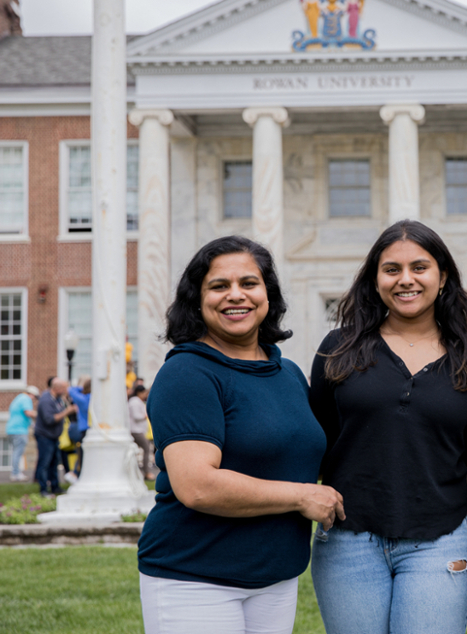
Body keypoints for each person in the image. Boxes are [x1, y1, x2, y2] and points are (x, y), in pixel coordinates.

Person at [137, 235, 344, 634]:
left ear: (268, 294)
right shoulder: (188, 374)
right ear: (197, 299)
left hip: (275, 578)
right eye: (219, 286)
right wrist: (302, 495)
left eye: (249, 283)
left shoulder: (287, 373)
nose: (236, 296)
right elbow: (197, 485)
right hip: (195, 578)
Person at [309, 219, 467, 634]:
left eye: (419, 267)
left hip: (440, 540)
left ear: (442, 276)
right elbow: (313, 440)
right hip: (347, 540)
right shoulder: (337, 349)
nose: (405, 279)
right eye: (391, 269)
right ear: (375, 279)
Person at [34, 378, 75, 496]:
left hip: (54, 437)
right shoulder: (46, 400)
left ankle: (55, 487)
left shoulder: (57, 399)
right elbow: (50, 420)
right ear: (56, 388)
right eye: (64, 388)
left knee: (54, 463)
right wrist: (67, 412)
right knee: (45, 463)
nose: (65, 391)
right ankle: (43, 489)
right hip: (45, 436)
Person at [6, 385, 40, 482]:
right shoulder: (26, 399)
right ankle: (15, 473)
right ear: (32, 394)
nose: (34, 400)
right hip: (19, 430)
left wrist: (32, 424)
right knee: (18, 452)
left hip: (12, 429)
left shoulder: (19, 398)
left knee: (16, 451)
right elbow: (29, 413)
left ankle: (16, 472)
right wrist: (41, 414)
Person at [67, 376, 92, 478]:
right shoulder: (91, 397)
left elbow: (71, 390)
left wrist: (81, 387)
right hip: (90, 428)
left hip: (84, 429)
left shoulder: (83, 399)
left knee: (82, 454)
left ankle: (77, 474)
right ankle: (77, 474)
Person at [128, 384, 153, 479]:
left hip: (137, 430)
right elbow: (136, 416)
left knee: (134, 451)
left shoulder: (137, 401)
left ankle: (134, 472)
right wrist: (145, 415)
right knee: (146, 448)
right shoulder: (134, 402)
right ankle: (146, 472)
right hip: (135, 430)